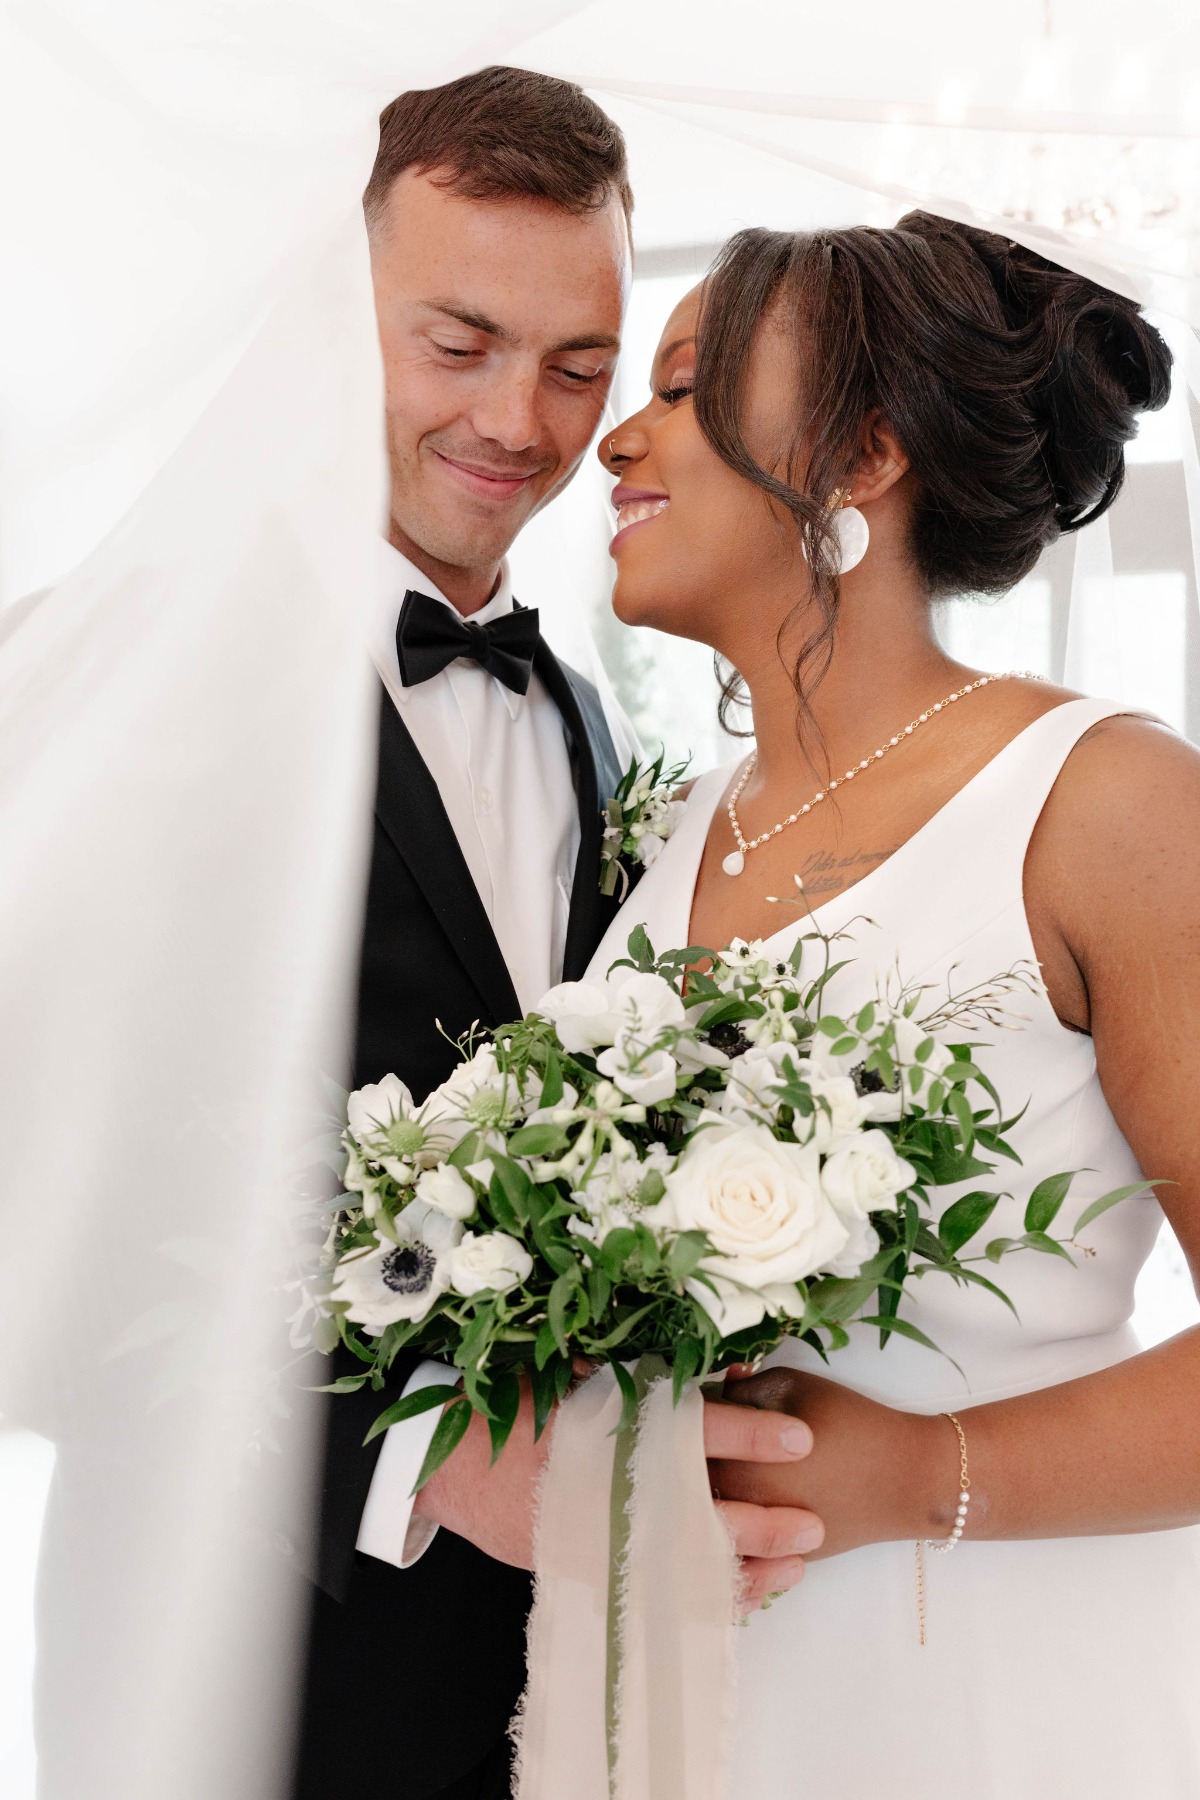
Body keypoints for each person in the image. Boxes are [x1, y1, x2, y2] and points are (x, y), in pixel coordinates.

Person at [588, 214, 1200, 1795]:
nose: (615, 436)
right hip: (701, 1699)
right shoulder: (670, 832)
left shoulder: (1109, 803)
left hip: (998, 1693)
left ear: (859, 456)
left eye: (682, 383)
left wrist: (923, 1471)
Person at [292, 69, 817, 1800]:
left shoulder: (595, 723)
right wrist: (428, 1466)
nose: (523, 420)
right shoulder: (135, 678)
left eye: (578, 364)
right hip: (267, 1677)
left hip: (563, 1689)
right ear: (337, 314)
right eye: (457, 342)